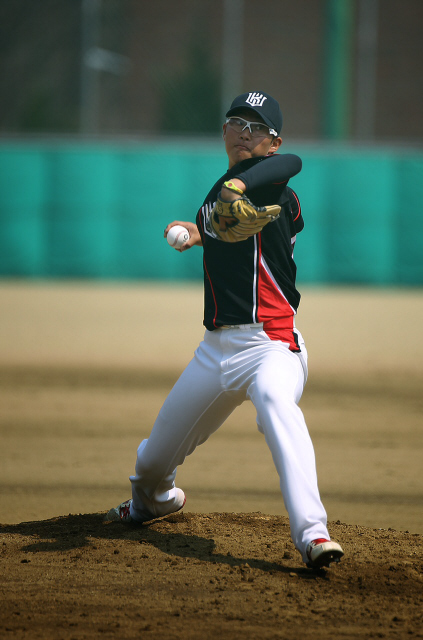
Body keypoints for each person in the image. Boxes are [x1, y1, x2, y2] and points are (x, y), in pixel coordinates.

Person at [108, 91, 344, 570]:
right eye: (235, 122)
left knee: (277, 405)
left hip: (272, 345)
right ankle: (154, 501)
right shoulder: (219, 192)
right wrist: (196, 230)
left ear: (273, 142)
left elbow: (290, 165)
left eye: (256, 128)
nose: (243, 132)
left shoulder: (277, 190)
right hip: (215, 351)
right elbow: (212, 222)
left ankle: (313, 533)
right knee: (151, 464)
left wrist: (237, 192)